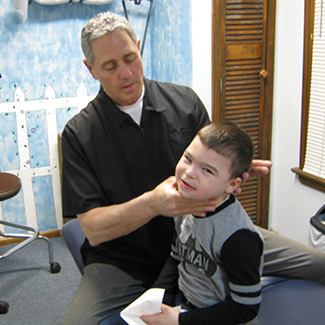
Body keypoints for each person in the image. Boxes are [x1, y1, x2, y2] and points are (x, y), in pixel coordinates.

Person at [61, 11, 325, 325]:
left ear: (139, 47)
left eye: (130, 58)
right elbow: (92, 229)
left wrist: (234, 171)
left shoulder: (184, 102)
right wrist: (153, 204)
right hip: (124, 258)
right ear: (91, 69)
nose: (126, 73)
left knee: (319, 264)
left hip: (207, 235)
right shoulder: (79, 134)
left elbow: (218, 161)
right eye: (110, 66)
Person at [140, 121, 264, 325]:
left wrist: (179, 321)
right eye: (188, 158)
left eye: (207, 170)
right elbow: (176, 257)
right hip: (186, 305)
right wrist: (158, 296)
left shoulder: (238, 239)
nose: (189, 173)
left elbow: (245, 308)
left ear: (232, 185)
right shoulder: (184, 203)